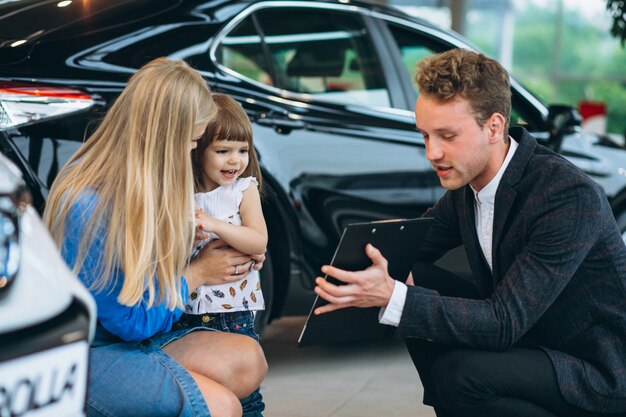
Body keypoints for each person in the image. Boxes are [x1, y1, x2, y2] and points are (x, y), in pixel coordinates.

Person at [314, 48, 626, 417]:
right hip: (534, 336)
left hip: (598, 370)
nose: (432, 152)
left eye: (447, 136)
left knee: (461, 376)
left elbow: (504, 323)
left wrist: (392, 295)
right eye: (425, 136)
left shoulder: (565, 195)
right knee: (415, 278)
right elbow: (409, 245)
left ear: (494, 127)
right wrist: (367, 253)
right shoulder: (468, 186)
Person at [44, 57, 267, 417]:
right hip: (86, 353)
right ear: (165, 136)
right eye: (193, 140)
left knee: (248, 358)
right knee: (222, 407)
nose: (193, 151)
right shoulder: (88, 206)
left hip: (128, 338)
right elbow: (131, 322)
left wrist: (228, 248)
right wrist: (198, 274)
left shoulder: (144, 186)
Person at [175, 93, 268, 415]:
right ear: (198, 150)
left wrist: (214, 224)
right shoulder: (180, 192)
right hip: (183, 310)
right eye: (223, 151)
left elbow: (258, 241)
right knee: (201, 388)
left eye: (242, 151)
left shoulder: (243, 190)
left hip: (233, 311)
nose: (235, 161)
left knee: (246, 392)